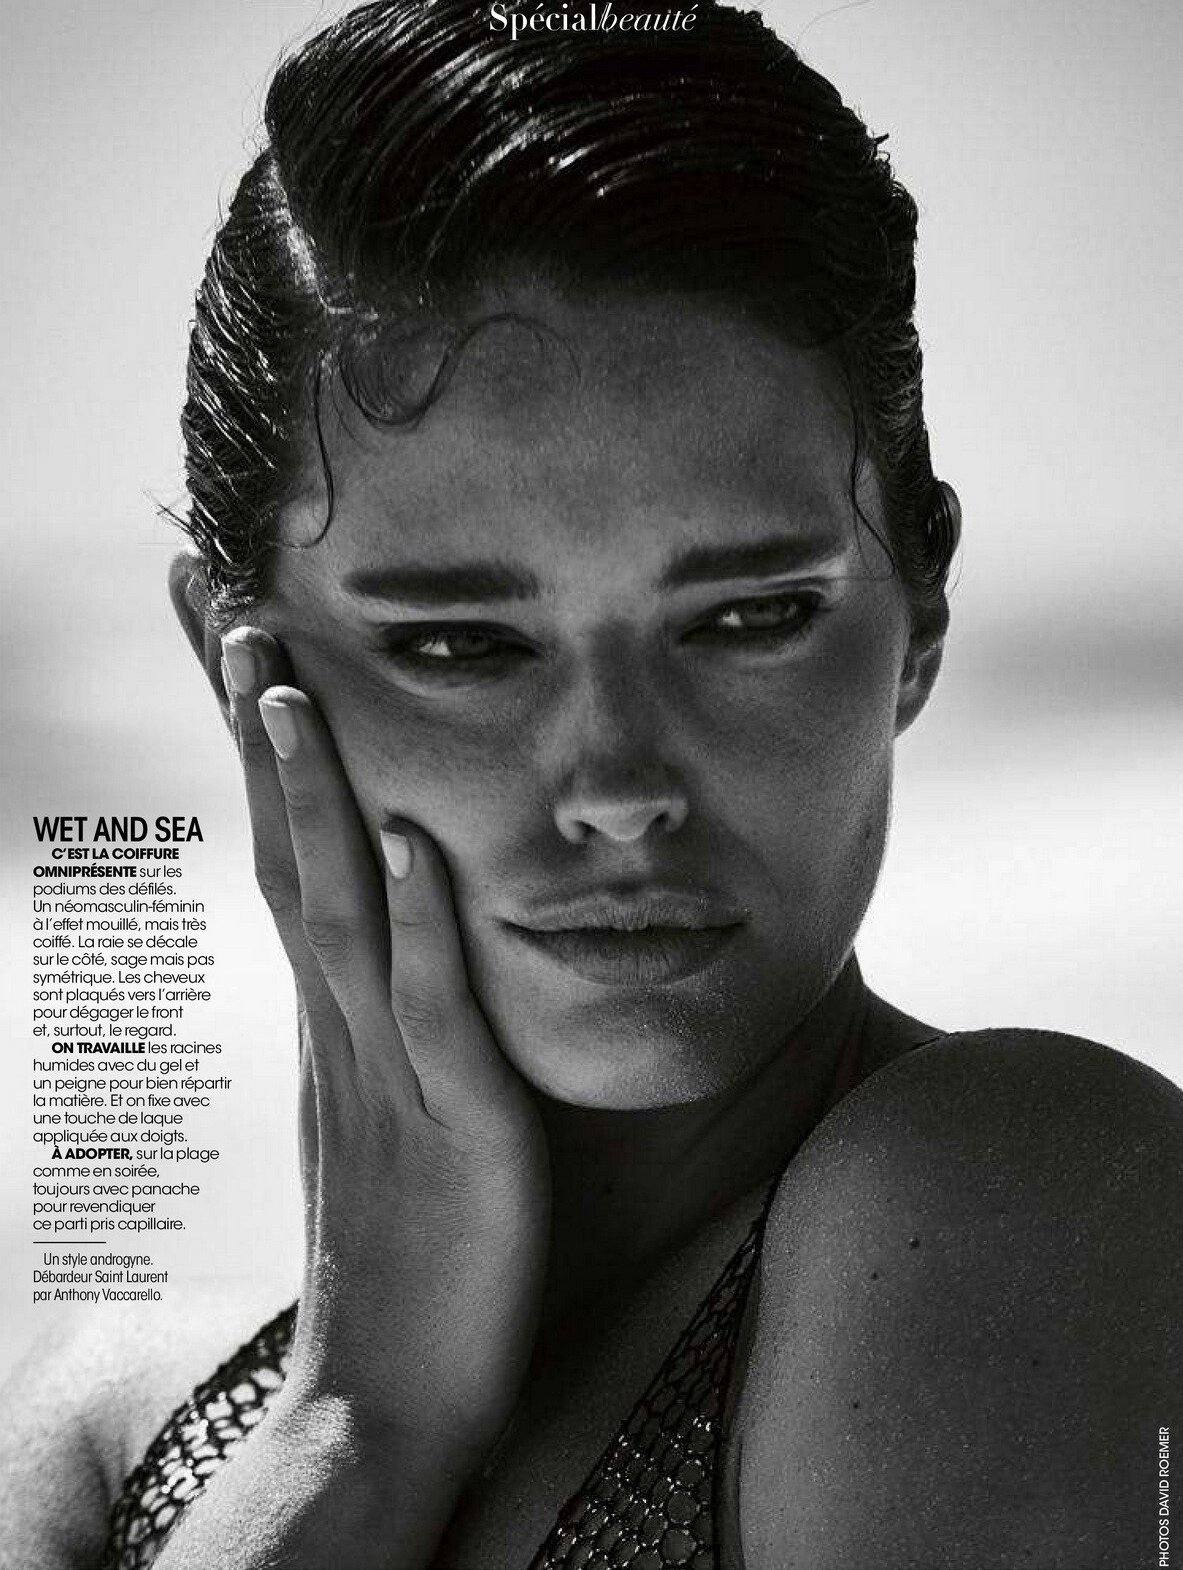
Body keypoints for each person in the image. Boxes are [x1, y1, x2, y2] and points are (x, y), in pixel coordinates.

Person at [2, 2, 1180, 1566]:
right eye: (463, 643)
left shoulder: (1020, 1196)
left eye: (750, 618)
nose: (620, 785)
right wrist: (356, 1422)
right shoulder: (102, 1424)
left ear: (921, 615)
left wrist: (369, 1428)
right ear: (236, 669)